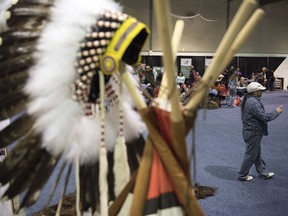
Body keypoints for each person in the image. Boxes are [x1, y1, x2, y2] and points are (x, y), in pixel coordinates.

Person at [238, 82, 283, 181]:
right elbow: (264, 117)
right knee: (250, 155)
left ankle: (262, 173)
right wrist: (277, 112)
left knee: (256, 154)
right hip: (253, 133)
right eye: (260, 91)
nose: (261, 92)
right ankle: (242, 175)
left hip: (251, 132)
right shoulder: (253, 102)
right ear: (255, 92)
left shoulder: (249, 100)